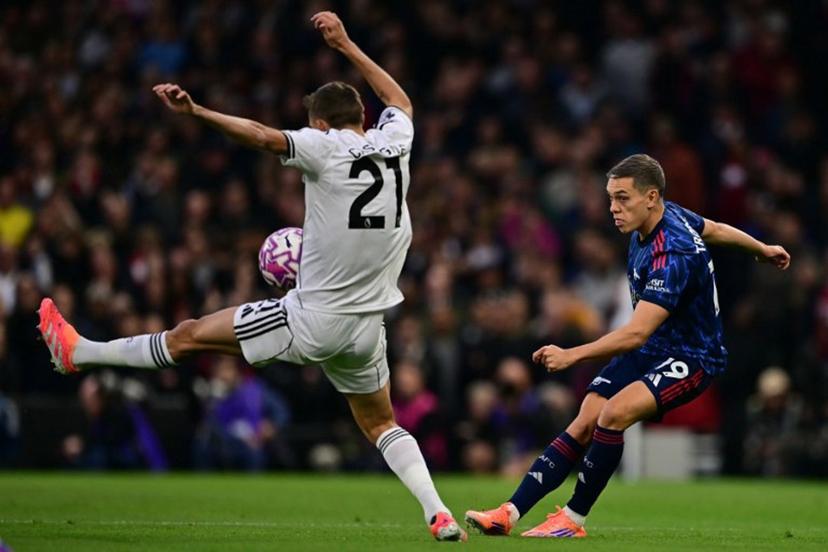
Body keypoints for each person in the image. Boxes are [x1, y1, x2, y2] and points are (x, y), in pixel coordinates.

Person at [37, 11, 465, 542]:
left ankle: (79, 353)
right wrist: (348, 45)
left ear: (324, 125)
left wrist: (195, 111)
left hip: (312, 318)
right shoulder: (395, 141)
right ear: (364, 116)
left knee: (190, 335)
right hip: (367, 326)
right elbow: (399, 101)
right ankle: (438, 512)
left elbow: (262, 137)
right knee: (381, 424)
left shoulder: (323, 147)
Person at [465, 153, 791, 538]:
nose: (613, 209)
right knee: (586, 418)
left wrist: (572, 355)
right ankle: (510, 512)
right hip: (655, 347)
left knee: (614, 413)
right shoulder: (671, 215)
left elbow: (635, 333)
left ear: (651, 197)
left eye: (623, 199)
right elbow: (716, 229)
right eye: (610, 198)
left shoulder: (673, 253)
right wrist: (761, 248)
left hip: (691, 357)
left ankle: (572, 520)